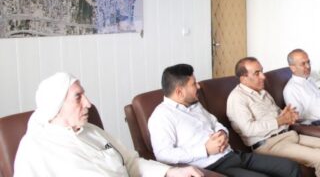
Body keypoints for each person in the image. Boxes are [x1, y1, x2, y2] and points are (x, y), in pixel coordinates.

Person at [14, 72, 202, 177]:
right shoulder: (34, 149)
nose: (88, 104)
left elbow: (131, 163)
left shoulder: (92, 131)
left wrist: (170, 172)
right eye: (78, 97)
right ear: (56, 106)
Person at [148, 64, 301, 177]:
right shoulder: (161, 117)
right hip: (213, 166)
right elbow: (163, 154)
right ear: (179, 92)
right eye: (193, 84)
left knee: (290, 167)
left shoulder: (194, 104)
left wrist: (222, 132)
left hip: (233, 155)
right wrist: (205, 149)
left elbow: (215, 122)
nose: (198, 86)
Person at [226, 57, 320, 177]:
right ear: (243, 78)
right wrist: (279, 121)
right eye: (257, 73)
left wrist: (288, 115)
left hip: (288, 135)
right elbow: (247, 129)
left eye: (262, 71)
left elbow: (278, 114)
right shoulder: (237, 98)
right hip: (268, 145)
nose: (263, 76)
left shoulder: (263, 93)